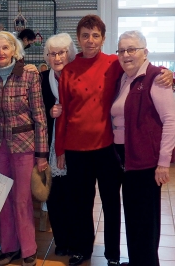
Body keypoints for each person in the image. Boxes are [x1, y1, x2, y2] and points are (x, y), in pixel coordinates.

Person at [55, 15, 174, 266]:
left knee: (112, 204)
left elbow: (147, 70)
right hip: (78, 148)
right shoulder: (69, 70)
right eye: (85, 35)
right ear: (78, 38)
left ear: (103, 38)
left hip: (108, 148)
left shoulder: (114, 63)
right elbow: (63, 110)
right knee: (81, 202)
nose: (90, 40)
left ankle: (113, 255)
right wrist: (60, 148)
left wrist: (169, 74)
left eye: (95, 35)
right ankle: (82, 248)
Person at [0, 31, 48, 266]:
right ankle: (9, 247)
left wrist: (41, 154)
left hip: (24, 146)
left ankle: (28, 247)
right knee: (3, 198)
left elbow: (40, 117)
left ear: (13, 50)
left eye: (5, 48)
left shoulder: (29, 76)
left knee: (21, 199)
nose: (0, 53)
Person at [111, 30, 175, 266]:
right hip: (125, 157)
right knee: (134, 215)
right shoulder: (124, 77)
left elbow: (171, 120)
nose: (126, 54)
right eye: (121, 50)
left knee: (146, 220)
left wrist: (163, 162)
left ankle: (147, 262)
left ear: (145, 52)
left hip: (146, 160)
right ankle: (137, 260)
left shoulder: (155, 77)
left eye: (132, 49)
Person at [41, 33, 77, 257]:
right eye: (52, 53)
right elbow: (34, 110)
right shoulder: (42, 78)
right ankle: (61, 241)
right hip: (50, 145)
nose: (57, 57)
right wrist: (49, 112)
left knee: (75, 195)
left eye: (61, 52)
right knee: (54, 194)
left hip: (75, 144)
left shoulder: (77, 75)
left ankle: (76, 241)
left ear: (69, 54)